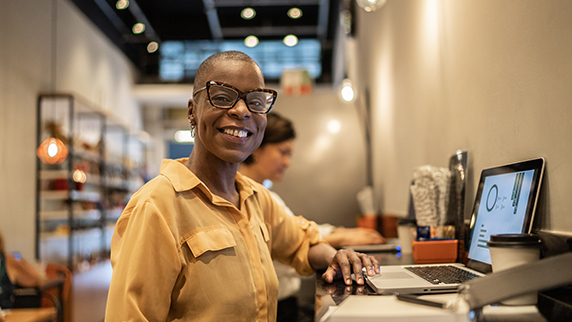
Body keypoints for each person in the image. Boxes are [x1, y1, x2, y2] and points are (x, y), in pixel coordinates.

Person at [105, 51, 379, 322]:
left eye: (256, 101)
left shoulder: (256, 197)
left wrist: (336, 257)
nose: (241, 110)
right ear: (192, 111)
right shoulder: (157, 206)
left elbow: (302, 243)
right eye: (222, 98)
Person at [240, 113, 386, 322]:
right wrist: (339, 238)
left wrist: (340, 234)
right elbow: (280, 248)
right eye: (283, 152)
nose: (287, 162)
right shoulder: (248, 197)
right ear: (256, 147)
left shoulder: (265, 196)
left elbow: (295, 230)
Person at [0, 230, 42, 309]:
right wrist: (22, 261)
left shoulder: (8, 261)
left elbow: (35, 279)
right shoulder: (8, 261)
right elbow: (35, 279)